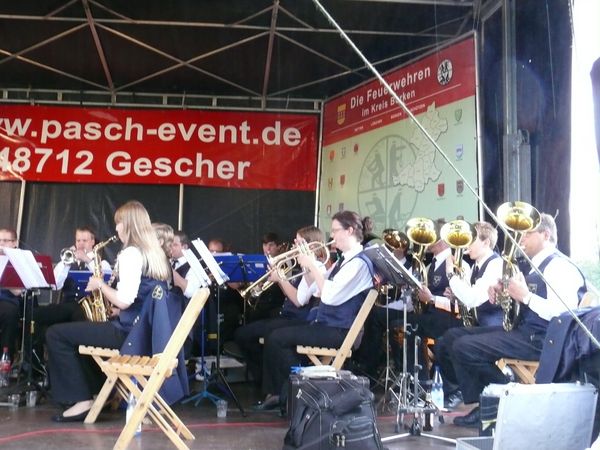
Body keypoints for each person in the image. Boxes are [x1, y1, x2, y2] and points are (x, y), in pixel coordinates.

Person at [451, 213, 586, 428]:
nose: (521, 238)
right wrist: (502, 296)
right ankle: (494, 401)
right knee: (455, 337)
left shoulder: (560, 267)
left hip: (544, 340)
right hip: (527, 333)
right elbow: (523, 302)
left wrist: (525, 296)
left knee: (463, 347)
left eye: (527, 233)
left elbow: (563, 313)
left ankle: (501, 399)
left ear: (546, 235)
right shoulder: (533, 267)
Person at [46, 200, 171, 422]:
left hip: (128, 335)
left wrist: (100, 285)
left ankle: (81, 400)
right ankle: (96, 392)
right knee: (80, 333)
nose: (116, 228)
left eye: (118, 223)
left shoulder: (131, 253)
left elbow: (124, 300)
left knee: (56, 334)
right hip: (142, 333)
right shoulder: (154, 254)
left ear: (128, 224)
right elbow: (142, 298)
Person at [259, 211, 374, 409]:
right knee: (275, 336)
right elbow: (319, 288)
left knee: (277, 339)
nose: (332, 235)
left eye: (335, 230)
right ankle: (286, 394)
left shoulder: (358, 264)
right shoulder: (345, 260)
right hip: (329, 325)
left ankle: (298, 392)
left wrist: (312, 265)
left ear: (349, 231)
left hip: (340, 330)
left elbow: (328, 295)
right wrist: (308, 266)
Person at [236, 226, 326, 396]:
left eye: (299, 242)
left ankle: (272, 388)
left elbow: (299, 301)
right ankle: (263, 380)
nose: (294, 245)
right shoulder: (306, 267)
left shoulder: (318, 268)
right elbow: (299, 297)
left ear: (311, 245)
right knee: (247, 333)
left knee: (265, 336)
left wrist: (280, 278)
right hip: (289, 316)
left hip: (301, 319)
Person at [433, 221, 503, 408]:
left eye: (471, 240)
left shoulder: (496, 265)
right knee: (443, 345)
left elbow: (473, 299)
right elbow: (469, 297)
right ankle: (468, 394)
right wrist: (456, 295)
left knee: (459, 345)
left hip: (495, 324)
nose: (467, 245)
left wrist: (451, 275)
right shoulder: (476, 267)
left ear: (486, 242)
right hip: (480, 322)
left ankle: (498, 390)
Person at [390, 222, 461, 381]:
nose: (427, 241)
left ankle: (420, 382)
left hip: (448, 319)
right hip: (432, 316)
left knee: (404, 326)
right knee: (398, 324)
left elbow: (460, 304)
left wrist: (431, 299)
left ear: (442, 240)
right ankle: (413, 379)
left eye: (432, 237)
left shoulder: (455, 264)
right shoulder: (431, 265)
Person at [353, 229, 414, 380]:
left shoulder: (411, 268)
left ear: (402, 249)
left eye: (394, 246)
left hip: (401, 310)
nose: (390, 248)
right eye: (389, 245)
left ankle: (368, 365)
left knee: (374, 315)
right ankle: (358, 358)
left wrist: (383, 307)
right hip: (385, 306)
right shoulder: (384, 265)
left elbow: (408, 302)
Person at [35, 227, 112, 332]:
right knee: (37, 315)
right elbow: (55, 285)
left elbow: (106, 282)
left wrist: (87, 260)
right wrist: (65, 263)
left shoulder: (102, 263)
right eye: (78, 240)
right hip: (66, 306)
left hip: (89, 309)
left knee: (76, 315)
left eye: (84, 241)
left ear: (92, 242)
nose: (80, 244)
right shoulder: (68, 261)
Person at [0, 228, 22, 361]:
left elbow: (18, 291)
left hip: (8, 301)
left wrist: (3, 279)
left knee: (9, 313)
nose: (1, 244)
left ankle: (5, 358)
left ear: (14, 243)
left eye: (5, 240)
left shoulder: (19, 260)